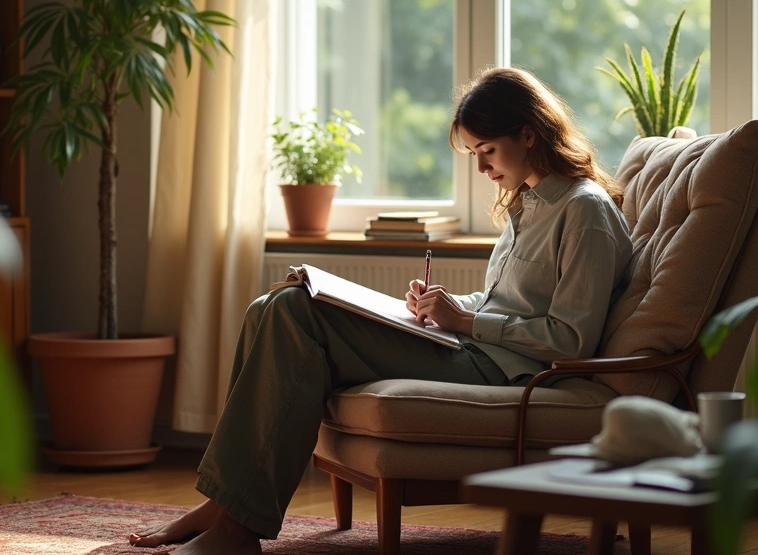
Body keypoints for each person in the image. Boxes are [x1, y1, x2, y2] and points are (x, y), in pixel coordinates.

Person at [127, 66, 634, 555]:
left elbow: (570, 339)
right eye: (475, 154)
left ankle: (236, 527)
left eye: (487, 150)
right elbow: (512, 300)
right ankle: (223, 508)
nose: (482, 167)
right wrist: (451, 308)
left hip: (506, 372)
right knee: (272, 306)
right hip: (472, 346)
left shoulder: (584, 211)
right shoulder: (526, 203)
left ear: (528, 134)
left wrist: (466, 321)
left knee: (290, 311)